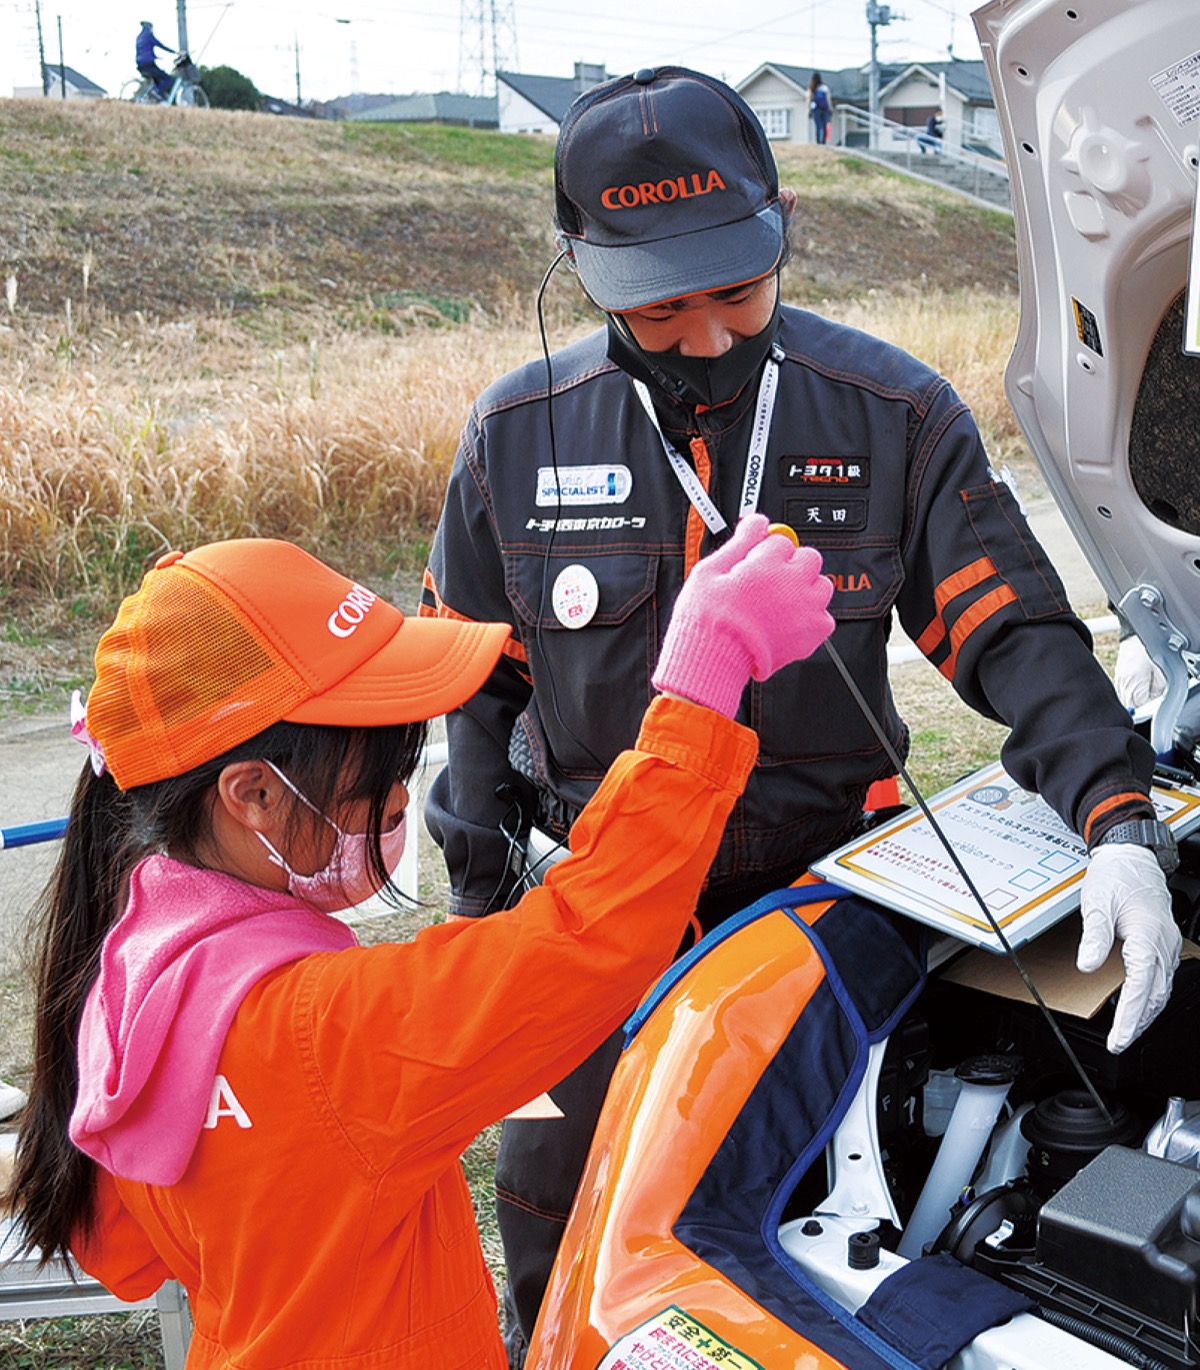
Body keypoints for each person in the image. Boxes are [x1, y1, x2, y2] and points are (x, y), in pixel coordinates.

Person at [419, 65, 1183, 1365]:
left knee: (813, 1227)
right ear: (582, 267)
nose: (709, 336)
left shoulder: (892, 416)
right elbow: (471, 692)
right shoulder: (514, 438)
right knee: (565, 1214)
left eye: (737, 289)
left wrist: (1120, 822)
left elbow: (1014, 639)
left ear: (783, 230)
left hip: (808, 910)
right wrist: (488, 910)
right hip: (586, 919)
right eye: (660, 306)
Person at [5, 526, 833, 1368]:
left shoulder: (135, 972)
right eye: (374, 771)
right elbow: (589, 937)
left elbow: (128, 1251)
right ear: (252, 793)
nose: (402, 796)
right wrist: (703, 679)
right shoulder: (323, 1030)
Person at [136, 19, 174, 101]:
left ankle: (157, 97)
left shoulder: (139, 37)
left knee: (157, 80)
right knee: (168, 79)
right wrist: (175, 52)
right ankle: (156, 92)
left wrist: (155, 57)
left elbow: (143, 51)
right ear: (149, 27)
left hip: (140, 65)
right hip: (149, 64)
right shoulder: (149, 35)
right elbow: (161, 45)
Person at [809, 70, 832, 144]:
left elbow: (809, 100)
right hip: (825, 108)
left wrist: (809, 111)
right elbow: (828, 99)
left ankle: (818, 141)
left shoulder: (812, 88)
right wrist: (830, 109)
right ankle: (824, 141)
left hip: (816, 109)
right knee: (825, 125)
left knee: (818, 126)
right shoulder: (824, 87)